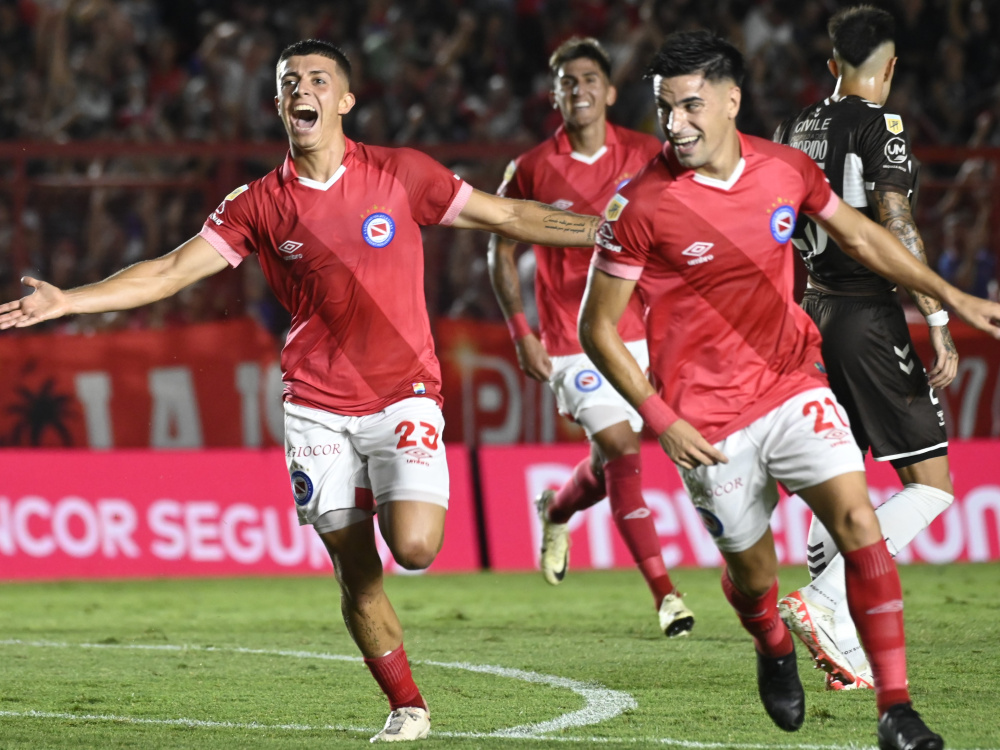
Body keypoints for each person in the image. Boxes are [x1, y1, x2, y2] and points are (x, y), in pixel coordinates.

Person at [0, 39, 602, 744]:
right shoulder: (258, 203)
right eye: (290, 82)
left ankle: (387, 490)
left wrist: (606, 231)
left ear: (345, 100)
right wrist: (70, 300)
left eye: (318, 79)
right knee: (357, 572)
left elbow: (506, 217)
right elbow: (170, 271)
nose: (301, 90)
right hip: (315, 408)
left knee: (414, 548)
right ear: (280, 103)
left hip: (403, 395)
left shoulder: (401, 173)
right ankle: (407, 706)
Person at [578, 30, 999, 748]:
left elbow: (863, 237)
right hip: (706, 423)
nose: (675, 124)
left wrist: (949, 297)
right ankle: (772, 643)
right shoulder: (639, 206)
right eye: (664, 108)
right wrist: (661, 418)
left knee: (859, 523)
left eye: (690, 106)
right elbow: (597, 328)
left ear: (731, 101)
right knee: (752, 577)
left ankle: (895, 710)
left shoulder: (786, 168)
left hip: (792, 385)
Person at [772, 5, 958, 693]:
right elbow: (896, 218)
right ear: (891, 66)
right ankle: (824, 602)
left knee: (841, 478)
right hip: (865, 316)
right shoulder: (882, 125)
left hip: (811, 311)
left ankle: (842, 640)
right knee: (931, 485)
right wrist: (936, 314)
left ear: (833, 64)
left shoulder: (791, 129)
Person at [487, 37, 693, 637]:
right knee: (623, 453)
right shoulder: (531, 167)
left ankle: (555, 510)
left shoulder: (648, 153)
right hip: (571, 339)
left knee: (607, 464)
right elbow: (500, 250)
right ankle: (666, 596)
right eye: (567, 82)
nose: (579, 90)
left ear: (609, 91)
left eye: (589, 80)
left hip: (645, 330)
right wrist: (520, 330)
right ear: (554, 96)